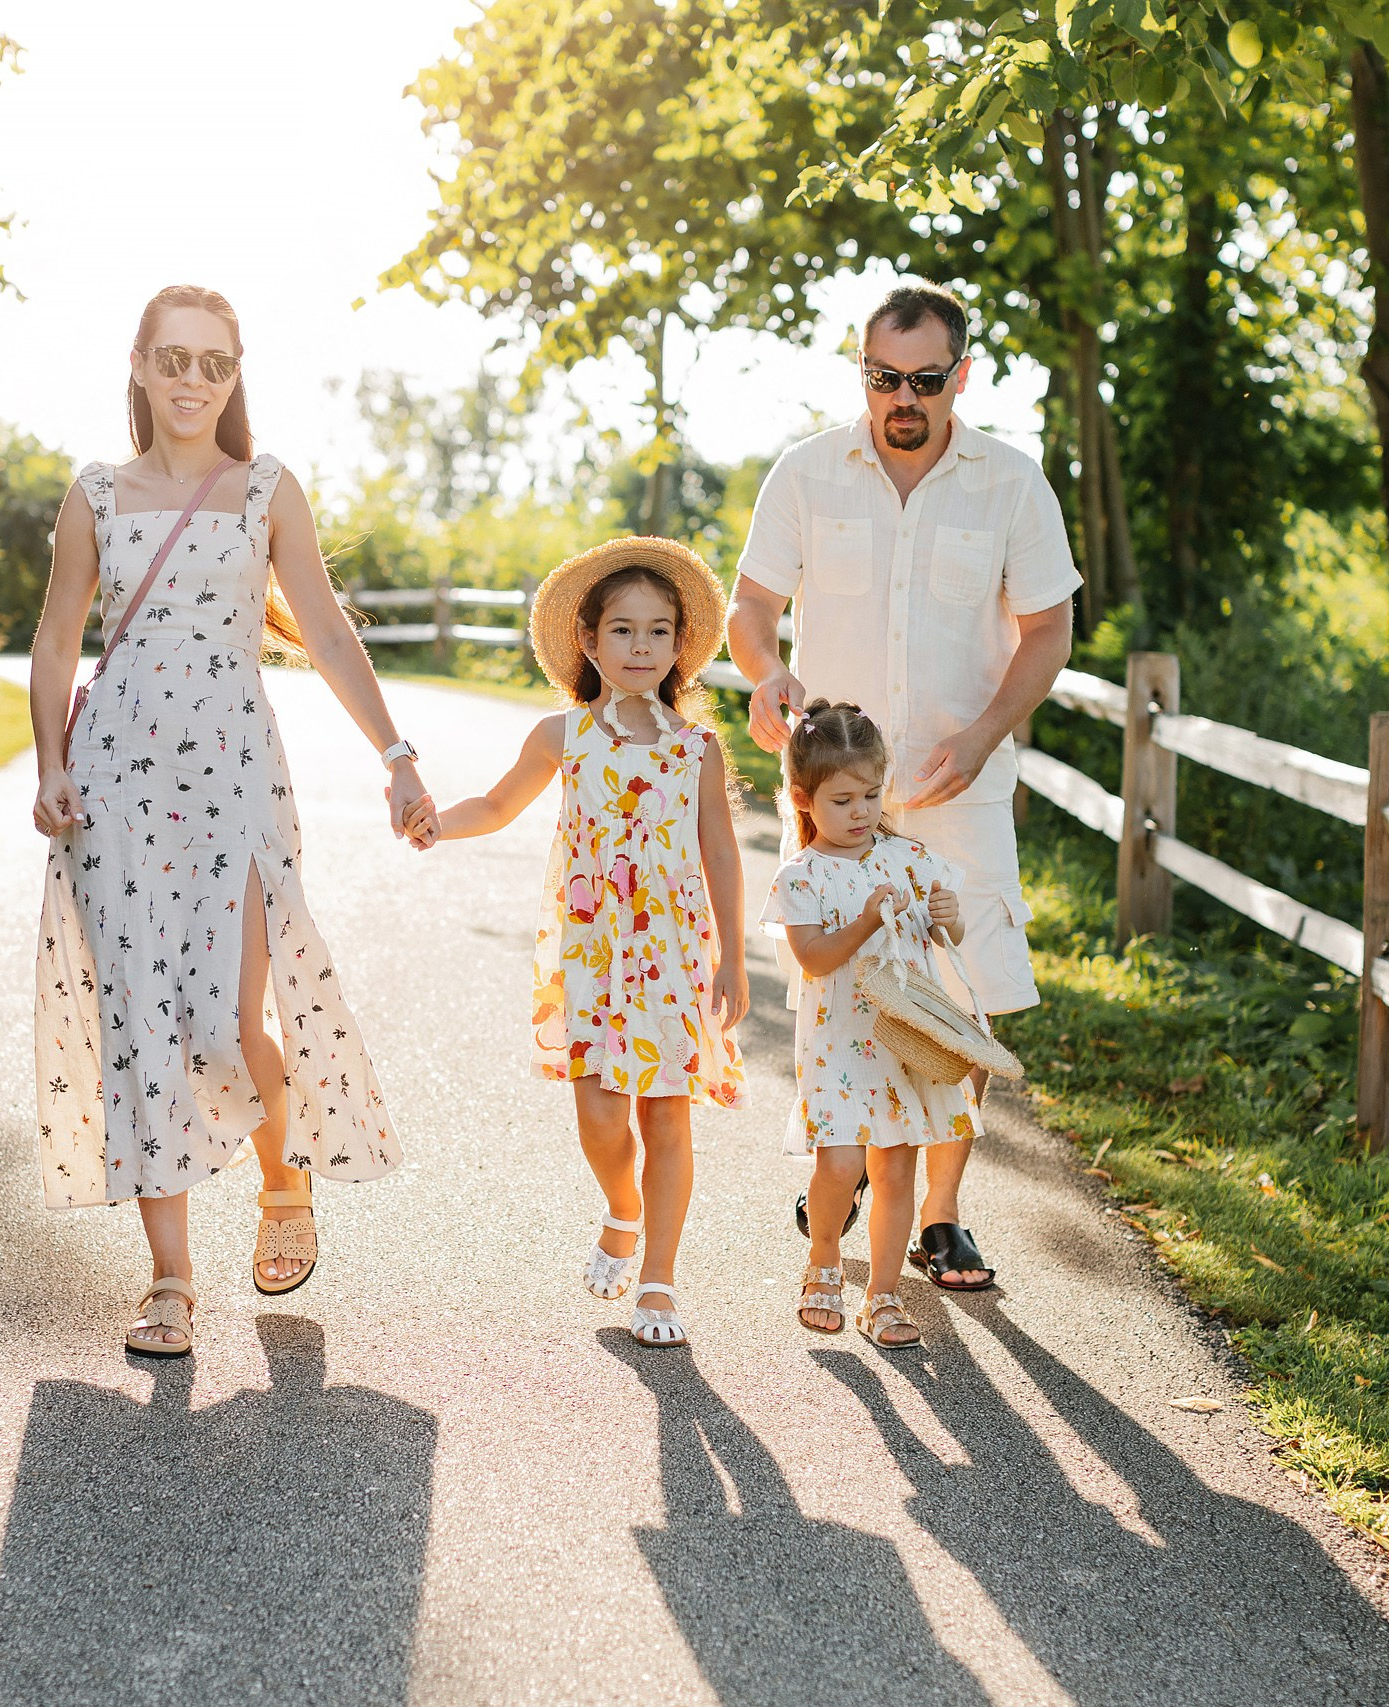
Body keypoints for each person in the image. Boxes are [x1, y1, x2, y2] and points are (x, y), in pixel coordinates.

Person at [28, 284, 433, 1359]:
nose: (192, 381)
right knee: (140, 1027)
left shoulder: (265, 490)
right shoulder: (97, 495)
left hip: (233, 779)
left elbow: (332, 636)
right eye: (173, 360)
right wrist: (50, 764)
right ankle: (170, 1280)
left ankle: (282, 1175)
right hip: (113, 781)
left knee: (219, 1023)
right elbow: (57, 640)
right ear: (139, 366)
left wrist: (395, 756)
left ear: (235, 372)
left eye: (213, 363)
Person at [728, 278, 1079, 1292]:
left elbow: (1047, 628)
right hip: (833, 795)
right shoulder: (805, 473)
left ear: (961, 375)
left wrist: (982, 735)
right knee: (834, 990)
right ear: (864, 372)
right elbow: (753, 605)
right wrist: (766, 674)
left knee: (961, 1003)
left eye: (927, 380)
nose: (905, 400)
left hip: (955, 790)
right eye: (887, 379)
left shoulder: (1012, 483)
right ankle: (849, 1171)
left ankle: (936, 1215)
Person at [402, 539, 748, 1349]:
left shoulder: (697, 749)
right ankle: (622, 1208)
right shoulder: (564, 736)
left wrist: (732, 955)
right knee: (599, 1116)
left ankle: (658, 1276)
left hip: (672, 955)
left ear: (679, 646)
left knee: (668, 1116)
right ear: (589, 643)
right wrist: (436, 825)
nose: (640, 648)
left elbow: (722, 853)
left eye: (658, 632)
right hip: (593, 956)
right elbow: (494, 804)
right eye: (622, 631)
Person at [764, 702, 977, 1349]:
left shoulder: (909, 857)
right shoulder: (802, 875)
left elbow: (951, 932)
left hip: (902, 1043)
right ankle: (824, 1258)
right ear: (804, 799)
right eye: (843, 799)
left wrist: (947, 914)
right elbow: (813, 957)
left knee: (895, 1169)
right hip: (839, 1045)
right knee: (840, 1165)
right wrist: (861, 921)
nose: (860, 811)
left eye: (870, 794)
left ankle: (883, 1294)